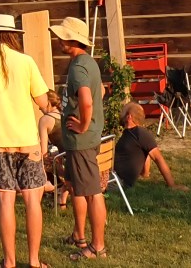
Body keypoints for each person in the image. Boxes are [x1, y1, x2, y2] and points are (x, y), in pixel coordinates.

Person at [0, 13, 50, 268]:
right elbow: (43, 101)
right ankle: (34, 261)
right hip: (28, 142)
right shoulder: (26, 61)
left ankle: (9, 262)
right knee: (32, 201)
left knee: (6, 202)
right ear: (14, 36)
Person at [51, 16, 106, 261]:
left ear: (71, 40)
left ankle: (97, 247)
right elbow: (99, 90)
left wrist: (83, 124)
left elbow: (86, 99)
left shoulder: (78, 68)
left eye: (61, 36)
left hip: (82, 141)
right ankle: (79, 235)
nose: (57, 40)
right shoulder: (87, 62)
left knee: (92, 192)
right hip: (79, 141)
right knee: (77, 188)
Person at [115, 102, 188, 192]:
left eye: (123, 112)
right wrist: (145, 173)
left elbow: (158, 158)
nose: (120, 114)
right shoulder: (130, 133)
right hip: (115, 178)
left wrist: (172, 185)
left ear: (129, 116)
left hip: (117, 181)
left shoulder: (139, 133)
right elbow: (145, 151)